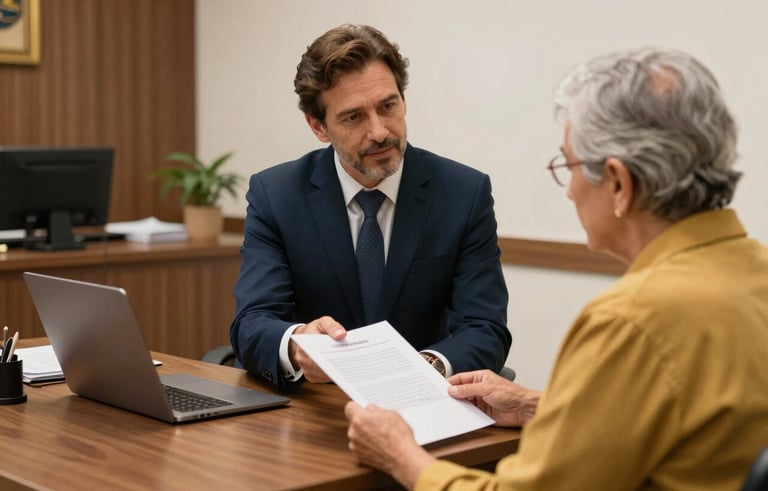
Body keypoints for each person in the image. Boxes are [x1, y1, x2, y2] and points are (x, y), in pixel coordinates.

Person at [344, 47, 768, 490]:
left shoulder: (632, 321)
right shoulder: (756, 275)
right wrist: (537, 405)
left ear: (620, 184)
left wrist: (402, 456)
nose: (569, 193)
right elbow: (691, 421)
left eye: (570, 165)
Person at [230, 24, 510, 390]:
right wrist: (298, 344)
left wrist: (423, 368)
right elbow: (253, 322)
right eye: (353, 117)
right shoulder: (277, 195)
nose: (379, 131)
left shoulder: (463, 193)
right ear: (318, 127)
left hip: (422, 404)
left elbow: (485, 328)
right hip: (315, 412)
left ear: (403, 100)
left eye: (388, 106)